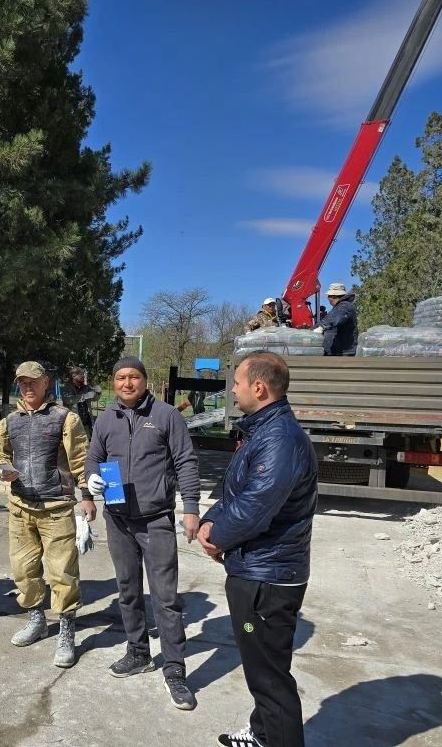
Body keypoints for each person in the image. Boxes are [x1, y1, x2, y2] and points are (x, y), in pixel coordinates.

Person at [197, 352, 317, 747]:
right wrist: (211, 520)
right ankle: (264, 734)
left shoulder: (279, 438)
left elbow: (254, 507)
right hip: (259, 570)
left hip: (267, 578)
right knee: (265, 667)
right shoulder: (264, 433)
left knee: (269, 677)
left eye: (237, 382)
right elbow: (237, 491)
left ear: (259, 388)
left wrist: (217, 536)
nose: (233, 388)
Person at [85, 357, 201, 711]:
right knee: (127, 591)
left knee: (165, 598)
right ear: (113, 383)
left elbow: (185, 461)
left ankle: (175, 669)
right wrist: (88, 487)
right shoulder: (105, 418)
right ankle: (137, 652)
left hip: (156, 519)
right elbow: (93, 458)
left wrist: (191, 507)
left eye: (133, 377)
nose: (127, 383)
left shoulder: (166, 415)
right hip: (118, 520)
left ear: (144, 381)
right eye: (120, 377)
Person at [0, 361, 94, 668]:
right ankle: (36, 620)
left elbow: (81, 459)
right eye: (22, 382)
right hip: (21, 508)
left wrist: (87, 495)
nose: (28, 386)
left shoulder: (66, 418)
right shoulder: (9, 422)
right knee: (24, 569)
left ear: (46, 382)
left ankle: (66, 629)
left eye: (34, 381)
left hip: (57, 509)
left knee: (62, 573)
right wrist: (1, 468)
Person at [315, 283, 358, 356]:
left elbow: (337, 320)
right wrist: (308, 331)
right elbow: (325, 320)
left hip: (343, 353)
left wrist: (322, 327)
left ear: (334, 296)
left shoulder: (344, 306)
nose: (328, 298)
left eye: (328, 296)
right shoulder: (337, 308)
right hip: (337, 352)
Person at [60, 365, 101, 437]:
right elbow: (68, 400)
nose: (83, 376)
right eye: (81, 374)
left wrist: (98, 392)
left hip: (87, 422)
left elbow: (95, 398)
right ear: (73, 376)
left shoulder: (86, 387)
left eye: (83, 374)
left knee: (88, 442)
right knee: (75, 445)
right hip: (73, 423)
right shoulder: (66, 388)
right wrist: (84, 396)